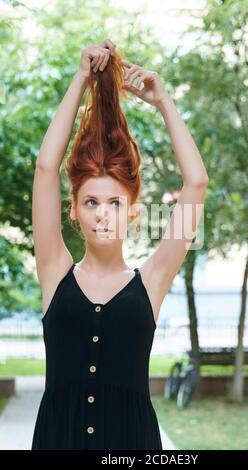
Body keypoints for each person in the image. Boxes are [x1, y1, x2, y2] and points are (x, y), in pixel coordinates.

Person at [31, 38, 209, 450]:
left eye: (115, 202)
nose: (102, 213)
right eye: (91, 201)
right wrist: (80, 79)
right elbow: (45, 169)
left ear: (133, 211)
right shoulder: (54, 271)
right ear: (74, 210)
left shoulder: (152, 280)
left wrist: (163, 101)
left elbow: (196, 183)